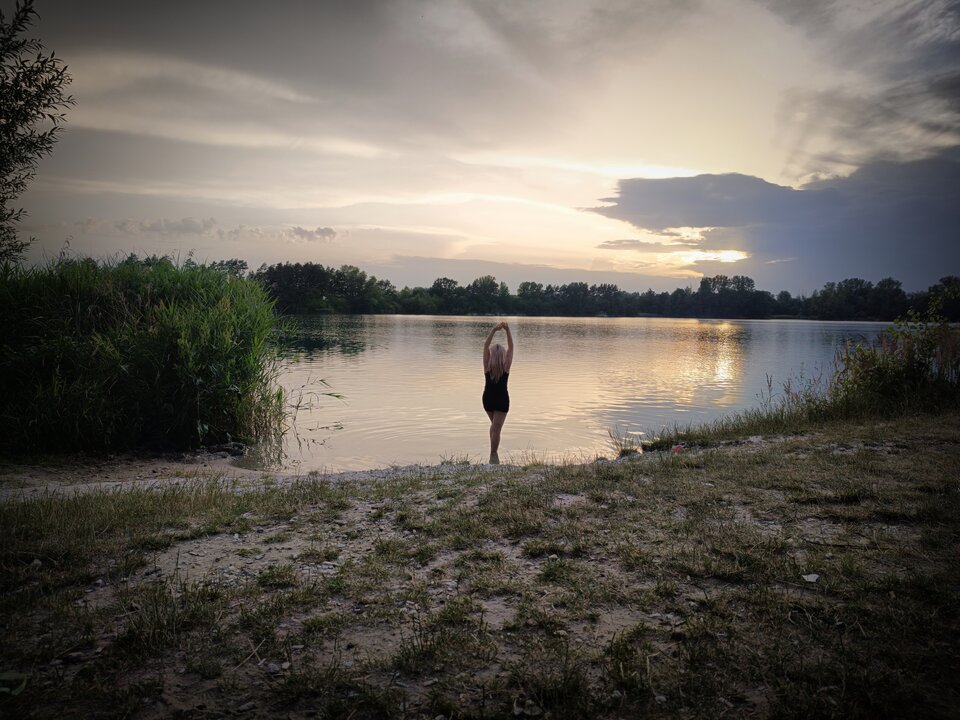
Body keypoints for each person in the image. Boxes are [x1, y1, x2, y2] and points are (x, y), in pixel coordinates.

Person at [482, 321, 513, 464]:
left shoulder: (487, 368)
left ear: (492, 355)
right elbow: (511, 348)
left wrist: (494, 330)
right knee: (496, 428)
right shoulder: (506, 368)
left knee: (495, 427)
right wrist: (507, 331)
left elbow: (485, 346)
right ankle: (493, 455)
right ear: (503, 356)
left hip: (488, 399)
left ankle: (493, 455)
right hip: (501, 400)